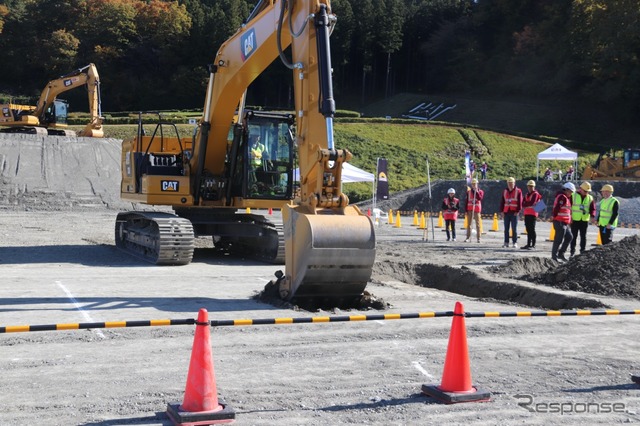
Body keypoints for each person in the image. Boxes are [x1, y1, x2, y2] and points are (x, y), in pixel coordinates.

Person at [569, 181, 596, 256]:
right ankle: (572, 251)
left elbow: (592, 209)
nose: (586, 192)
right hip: (575, 220)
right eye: (585, 191)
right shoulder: (573, 196)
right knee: (573, 236)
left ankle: (582, 251)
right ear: (580, 189)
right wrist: (569, 217)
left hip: (584, 220)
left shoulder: (590, 198)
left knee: (583, 236)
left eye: (588, 191)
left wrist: (592, 216)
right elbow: (569, 208)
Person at [551, 182, 575, 262]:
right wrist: (554, 217)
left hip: (564, 222)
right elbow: (557, 208)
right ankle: (554, 257)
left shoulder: (566, 197)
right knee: (558, 239)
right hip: (560, 221)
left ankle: (561, 254)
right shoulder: (562, 197)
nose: (571, 194)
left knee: (569, 237)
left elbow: (567, 210)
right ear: (566, 190)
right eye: (570, 192)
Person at [499, 177, 523, 248]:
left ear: (514, 183)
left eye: (511, 183)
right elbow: (502, 202)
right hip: (506, 212)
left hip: (514, 213)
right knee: (506, 229)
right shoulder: (505, 191)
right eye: (509, 183)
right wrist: (502, 211)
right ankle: (506, 242)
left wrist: (518, 211)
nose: (510, 185)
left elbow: (520, 202)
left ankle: (514, 242)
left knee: (514, 229)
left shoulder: (518, 191)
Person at [521, 180, 542, 250]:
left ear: (534, 187)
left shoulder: (535, 194)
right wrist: (527, 204)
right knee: (528, 229)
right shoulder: (526, 194)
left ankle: (533, 244)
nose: (530, 188)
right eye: (529, 186)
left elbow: (531, 203)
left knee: (532, 229)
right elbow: (522, 203)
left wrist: (526, 204)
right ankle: (528, 244)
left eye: (532, 186)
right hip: (527, 213)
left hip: (533, 214)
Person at [464, 178, 484, 243]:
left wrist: (477, 192)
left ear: (477, 184)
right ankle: (468, 237)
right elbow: (466, 201)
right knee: (469, 224)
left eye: (475, 184)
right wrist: (466, 210)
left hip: (477, 209)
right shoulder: (468, 192)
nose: (474, 185)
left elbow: (480, 198)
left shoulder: (480, 191)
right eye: (473, 184)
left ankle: (479, 238)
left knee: (478, 224)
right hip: (470, 209)